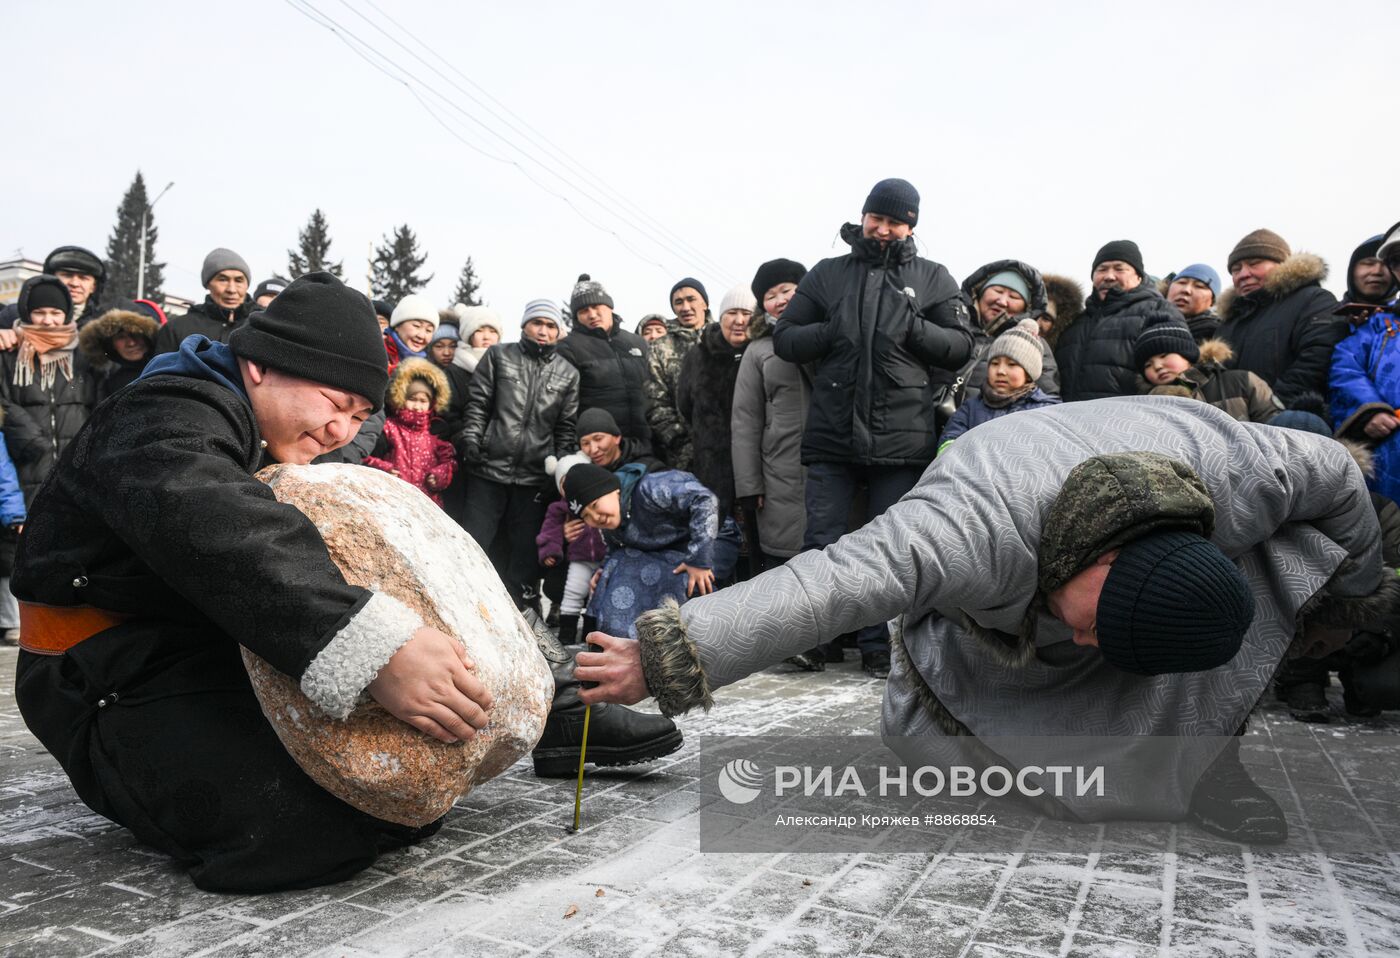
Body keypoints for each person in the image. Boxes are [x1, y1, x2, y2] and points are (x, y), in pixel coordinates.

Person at [578, 396, 1400, 843]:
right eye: (1095, 627)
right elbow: (829, 585)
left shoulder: (1247, 475)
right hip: (991, 602)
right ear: (1101, 564)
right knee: (930, 746)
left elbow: (1336, 473)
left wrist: (1351, 594)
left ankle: (1209, 756)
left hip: (1156, 517)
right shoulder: (969, 530)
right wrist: (666, 657)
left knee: (1274, 570)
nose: (1087, 646)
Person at [10, 272, 497, 892]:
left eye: (359, 415)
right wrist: (373, 646)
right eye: (332, 401)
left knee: (393, 799)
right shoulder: (163, 412)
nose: (341, 432)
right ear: (263, 366)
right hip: (95, 668)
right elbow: (216, 520)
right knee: (297, 835)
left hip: (194, 652)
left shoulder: (256, 429)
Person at [772, 177, 976, 678]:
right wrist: (829, 330)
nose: (882, 229)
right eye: (876, 218)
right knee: (821, 541)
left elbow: (960, 345)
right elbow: (786, 338)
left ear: (911, 227)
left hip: (903, 439)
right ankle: (814, 640)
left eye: (895, 222)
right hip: (832, 436)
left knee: (888, 545)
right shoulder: (827, 273)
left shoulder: (932, 276)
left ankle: (880, 648)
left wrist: (915, 328)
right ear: (863, 217)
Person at [458, 300, 579, 611]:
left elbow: (565, 428)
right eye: (537, 323)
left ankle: (520, 612)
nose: (543, 330)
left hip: (533, 477)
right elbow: (478, 405)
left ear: (558, 331)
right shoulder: (499, 356)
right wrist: (472, 440)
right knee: (472, 543)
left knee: (524, 553)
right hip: (488, 468)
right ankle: (463, 604)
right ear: (524, 325)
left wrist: (560, 471)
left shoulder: (568, 373)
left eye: (551, 325)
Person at [565, 462, 739, 639]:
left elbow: (704, 500)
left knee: (684, 581)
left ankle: (690, 642)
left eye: (595, 505)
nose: (595, 517)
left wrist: (699, 560)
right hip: (667, 551)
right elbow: (615, 549)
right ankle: (620, 639)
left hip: (713, 539)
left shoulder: (650, 487)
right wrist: (603, 570)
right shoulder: (611, 521)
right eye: (586, 515)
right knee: (616, 564)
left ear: (613, 491)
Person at [1214, 229, 1341, 406]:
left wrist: (1273, 406)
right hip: (1226, 423)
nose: (1243, 274)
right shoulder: (1228, 321)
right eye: (1236, 269)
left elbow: (1318, 356)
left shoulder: (1313, 299)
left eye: (1254, 263)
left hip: (1287, 421)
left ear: (1282, 265)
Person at [1053, 240, 1188, 401]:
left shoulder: (1158, 311)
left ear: (1138, 276)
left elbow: (1175, 378)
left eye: (1119, 269)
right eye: (1102, 269)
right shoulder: (1074, 322)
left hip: (1126, 421)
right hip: (1066, 422)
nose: (1109, 276)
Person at [0, 276, 95, 504]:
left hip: (75, 477)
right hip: (25, 473)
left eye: (55, 313)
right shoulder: (9, 353)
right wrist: (29, 438)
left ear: (67, 314)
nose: (48, 321)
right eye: (40, 312)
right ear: (26, 312)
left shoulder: (84, 354)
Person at [1331, 222, 1400, 504]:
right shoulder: (1377, 327)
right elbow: (1345, 370)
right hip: (1389, 458)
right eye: (1397, 259)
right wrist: (1369, 411)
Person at [676, 284, 755, 519]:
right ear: (721, 317)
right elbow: (685, 405)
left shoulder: (763, 352)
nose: (739, 320)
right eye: (731, 313)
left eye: (747, 314)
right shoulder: (698, 355)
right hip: (711, 464)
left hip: (756, 467)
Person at [554, 274, 651, 452]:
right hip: (598, 450)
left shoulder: (637, 343)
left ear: (609, 307)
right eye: (583, 311)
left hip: (647, 444)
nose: (592, 315)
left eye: (596, 306)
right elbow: (562, 408)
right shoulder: (567, 348)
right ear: (576, 317)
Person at [937, 319, 1060, 452]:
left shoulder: (1046, 410)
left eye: (1012, 364)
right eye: (994, 363)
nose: (1001, 371)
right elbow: (950, 439)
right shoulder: (970, 408)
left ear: (1029, 374)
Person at [954, 260, 1060, 400]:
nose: (1002, 301)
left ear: (1026, 307)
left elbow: (1048, 398)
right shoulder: (953, 324)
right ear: (979, 292)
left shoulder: (1033, 342)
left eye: (1014, 297)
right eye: (997, 291)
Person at [1136, 323, 1281, 423]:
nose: (1157, 366)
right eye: (1148, 364)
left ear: (1187, 355)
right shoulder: (1147, 404)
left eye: (1164, 355)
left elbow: (1274, 425)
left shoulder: (1241, 381)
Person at [364, 359, 457, 507]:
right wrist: (384, 469)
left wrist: (439, 475)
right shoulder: (389, 427)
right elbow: (365, 457)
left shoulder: (436, 431)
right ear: (401, 398)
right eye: (412, 399)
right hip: (393, 497)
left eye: (423, 401)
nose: (417, 406)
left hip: (427, 503)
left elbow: (449, 462)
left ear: (431, 403)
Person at [537, 453, 606, 645]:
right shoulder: (559, 508)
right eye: (566, 483)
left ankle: (591, 635)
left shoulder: (602, 501)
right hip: (578, 558)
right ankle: (566, 633)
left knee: (597, 597)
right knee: (572, 593)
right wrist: (550, 550)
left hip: (604, 559)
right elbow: (549, 531)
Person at [646, 278, 711, 468]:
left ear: (705, 304)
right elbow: (655, 403)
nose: (686, 307)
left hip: (727, 447)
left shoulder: (722, 338)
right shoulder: (660, 347)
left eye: (691, 299)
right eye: (679, 302)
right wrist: (682, 444)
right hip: (682, 456)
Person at [154, 249, 256, 353]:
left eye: (239, 280)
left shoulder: (262, 326)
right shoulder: (176, 329)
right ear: (207, 283)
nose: (231, 289)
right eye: (223, 280)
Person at [77, 305, 160, 403]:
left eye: (135, 333)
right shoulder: (109, 384)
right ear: (110, 345)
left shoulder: (170, 369)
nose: (131, 343)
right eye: (121, 337)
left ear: (148, 336)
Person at [1163, 264, 1223, 342]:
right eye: (1182, 282)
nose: (1186, 290)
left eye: (1199, 286)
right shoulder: (1146, 318)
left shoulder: (1218, 335)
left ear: (1212, 302)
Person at [382, 294, 439, 373]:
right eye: (417, 326)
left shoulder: (430, 367)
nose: (421, 336)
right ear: (397, 326)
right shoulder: (378, 352)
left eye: (428, 330)